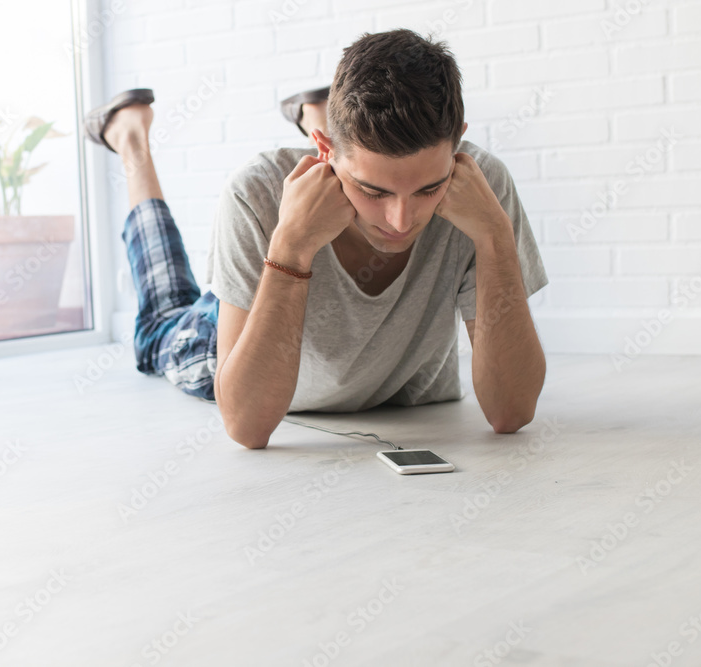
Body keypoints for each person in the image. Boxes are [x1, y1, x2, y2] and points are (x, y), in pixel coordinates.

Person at [84, 29, 549, 449]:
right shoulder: (256, 192)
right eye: (373, 190)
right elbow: (247, 427)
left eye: (429, 188)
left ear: (458, 146)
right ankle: (130, 140)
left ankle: (316, 117)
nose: (402, 220)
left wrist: (495, 238)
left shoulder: (482, 186)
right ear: (324, 150)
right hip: (238, 327)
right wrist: (290, 248)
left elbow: (511, 412)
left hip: (376, 378)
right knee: (159, 323)